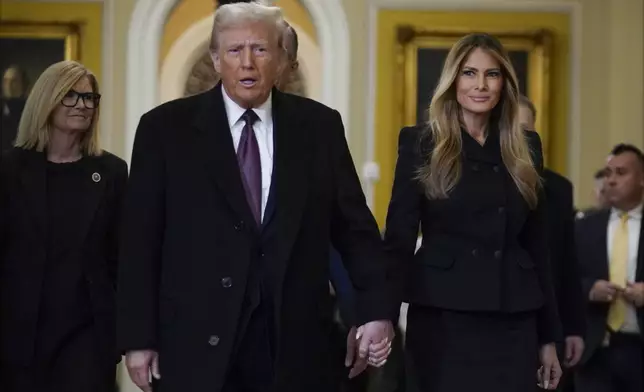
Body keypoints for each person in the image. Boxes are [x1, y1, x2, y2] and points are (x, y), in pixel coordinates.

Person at [117, 3, 393, 392]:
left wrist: (375, 312)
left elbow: (354, 230)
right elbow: (140, 242)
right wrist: (138, 339)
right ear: (215, 59)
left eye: (261, 50)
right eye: (234, 50)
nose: (248, 63)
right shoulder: (164, 130)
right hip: (195, 343)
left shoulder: (318, 127)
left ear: (280, 59)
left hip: (292, 345)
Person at [383, 33, 562, 392]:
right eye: (469, 73)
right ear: (453, 80)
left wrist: (549, 338)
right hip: (442, 317)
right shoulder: (421, 142)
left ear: (504, 84)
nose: (480, 85)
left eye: (491, 74)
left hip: (513, 318)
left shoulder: (526, 146)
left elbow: (539, 247)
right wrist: (381, 317)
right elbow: (398, 240)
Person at [0, 60, 128, 392]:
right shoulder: (10, 170)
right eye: (70, 96)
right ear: (47, 100)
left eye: (89, 98)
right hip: (19, 333)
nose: (82, 105)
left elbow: (121, 256)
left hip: (86, 334)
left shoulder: (112, 171)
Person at [519, 95, 585, 391]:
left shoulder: (559, 189)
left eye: (527, 130)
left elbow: (566, 262)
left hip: (549, 316)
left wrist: (573, 328)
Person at [575, 144, 644, 392]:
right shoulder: (584, 226)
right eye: (608, 173)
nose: (611, 180)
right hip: (595, 352)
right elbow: (563, 280)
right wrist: (589, 289)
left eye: (621, 173)